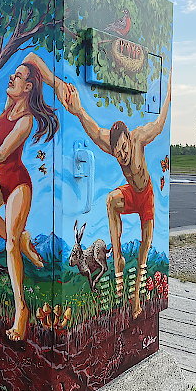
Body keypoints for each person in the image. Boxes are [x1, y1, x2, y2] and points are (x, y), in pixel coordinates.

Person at [0, 52, 72, 341]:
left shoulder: (25, 120)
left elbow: (1, 153)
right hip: (1, 180)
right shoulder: (8, 105)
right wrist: (33, 72)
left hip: (18, 184)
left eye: (19, 77)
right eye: (14, 74)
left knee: (10, 245)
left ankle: (20, 310)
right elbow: (31, 56)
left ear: (29, 89)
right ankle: (23, 238)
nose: (12, 77)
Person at [65, 70, 171, 318]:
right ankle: (118, 258)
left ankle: (136, 302)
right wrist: (79, 110)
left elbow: (158, 125)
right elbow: (93, 130)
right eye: (118, 152)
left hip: (146, 196)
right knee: (111, 200)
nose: (122, 154)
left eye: (123, 149)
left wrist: (167, 98)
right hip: (130, 194)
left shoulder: (138, 138)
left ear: (128, 140)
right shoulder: (112, 145)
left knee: (145, 247)